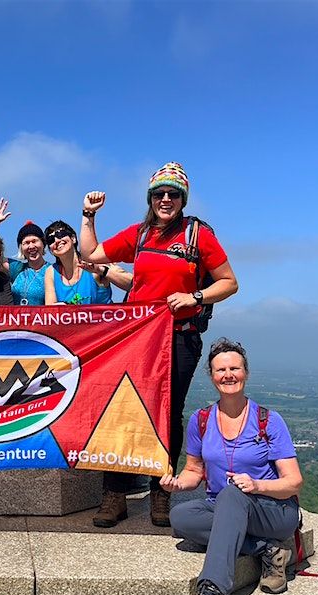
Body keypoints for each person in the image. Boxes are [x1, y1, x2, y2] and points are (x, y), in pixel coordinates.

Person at [79, 162, 239, 528]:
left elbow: (229, 282)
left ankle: (161, 495)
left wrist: (195, 296)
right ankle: (114, 496)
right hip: (136, 338)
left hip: (179, 336)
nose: (165, 199)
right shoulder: (140, 234)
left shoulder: (198, 236)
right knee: (121, 411)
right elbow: (92, 254)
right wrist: (88, 215)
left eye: (173, 194)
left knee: (167, 415)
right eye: (159, 194)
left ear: (183, 199)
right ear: (150, 199)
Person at [160, 339, 302, 595]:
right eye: (220, 369)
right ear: (212, 376)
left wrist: (257, 485)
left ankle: (212, 594)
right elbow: (194, 471)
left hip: (274, 510)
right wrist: (177, 484)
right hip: (224, 506)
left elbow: (293, 482)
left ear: (245, 372)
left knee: (233, 495)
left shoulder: (268, 421)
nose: (228, 374)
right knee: (180, 517)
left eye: (234, 368)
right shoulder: (201, 421)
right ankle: (267, 550)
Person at [43, 220, 118, 305]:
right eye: (50, 240)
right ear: (50, 250)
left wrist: (104, 270)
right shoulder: (51, 272)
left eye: (61, 234)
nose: (56, 240)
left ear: (73, 238)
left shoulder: (94, 261)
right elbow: (50, 311)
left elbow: (130, 283)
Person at [7, 221, 51, 306]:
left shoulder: (53, 270)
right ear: (21, 248)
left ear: (43, 244)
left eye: (34, 241)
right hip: (17, 318)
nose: (31, 246)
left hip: (40, 318)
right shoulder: (17, 268)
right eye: (26, 243)